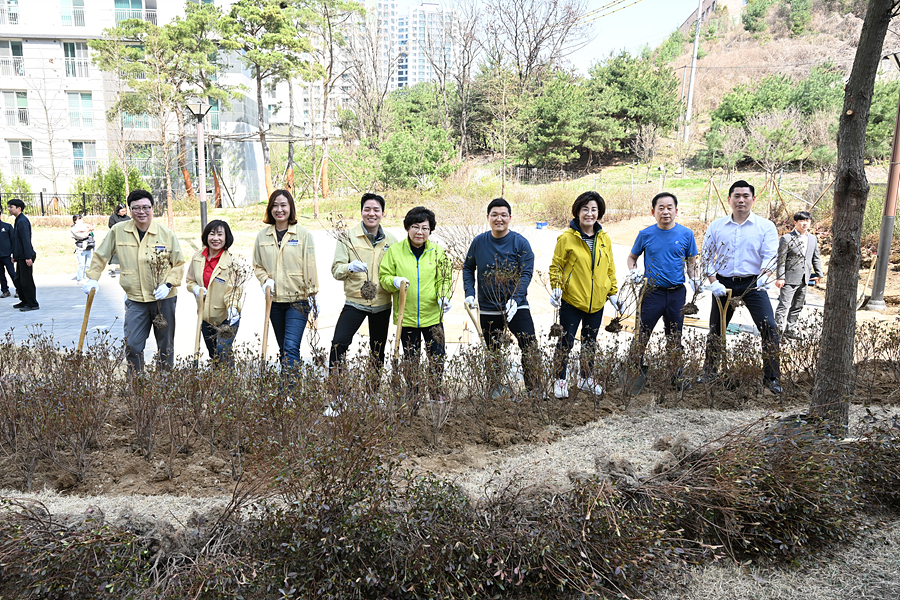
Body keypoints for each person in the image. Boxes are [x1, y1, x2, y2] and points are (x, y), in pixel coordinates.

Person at [83, 190, 185, 374]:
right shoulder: (118, 231)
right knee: (132, 345)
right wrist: (93, 278)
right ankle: (136, 384)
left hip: (164, 299)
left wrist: (168, 284)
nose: (141, 211)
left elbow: (178, 263)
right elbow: (101, 255)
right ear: (130, 210)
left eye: (146, 207)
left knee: (165, 346)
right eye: (136, 208)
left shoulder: (166, 234)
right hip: (135, 299)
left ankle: (165, 383)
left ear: (153, 208)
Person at [700, 180, 782, 394]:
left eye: (746, 196)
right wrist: (713, 282)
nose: (741, 200)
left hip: (754, 282)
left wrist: (765, 276)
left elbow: (771, 255)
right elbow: (706, 256)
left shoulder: (765, 226)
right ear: (729, 200)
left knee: (769, 326)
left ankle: (772, 378)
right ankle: (709, 372)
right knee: (716, 328)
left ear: (753, 199)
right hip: (724, 283)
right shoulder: (717, 226)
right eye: (737, 196)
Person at [463, 197, 538, 394]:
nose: (499, 219)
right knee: (492, 350)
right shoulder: (479, 242)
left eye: (503, 215)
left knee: (529, 345)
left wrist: (516, 299)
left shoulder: (520, 243)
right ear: (488, 217)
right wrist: (469, 293)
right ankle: (494, 389)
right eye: (494, 215)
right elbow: (468, 267)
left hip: (516, 306)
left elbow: (526, 273)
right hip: (488, 307)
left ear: (510, 218)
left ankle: (534, 389)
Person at [626, 192, 700, 389]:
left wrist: (695, 279)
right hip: (651, 292)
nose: (665, 211)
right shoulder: (645, 234)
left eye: (669, 208)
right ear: (653, 212)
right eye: (661, 208)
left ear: (676, 211)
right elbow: (632, 257)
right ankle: (632, 377)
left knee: (675, 336)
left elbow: (692, 263)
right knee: (642, 334)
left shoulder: (686, 234)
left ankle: (676, 378)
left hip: (677, 294)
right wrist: (633, 271)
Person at [548, 191, 618, 399]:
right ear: (577, 212)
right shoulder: (567, 238)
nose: (589, 214)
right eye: (585, 209)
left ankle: (586, 378)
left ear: (599, 213)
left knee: (590, 342)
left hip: (597, 302)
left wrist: (613, 292)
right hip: (573, 300)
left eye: (594, 209)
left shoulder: (604, 239)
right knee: (566, 342)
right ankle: (560, 380)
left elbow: (610, 269)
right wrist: (556, 287)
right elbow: (556, 266)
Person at [379, 206, 451, 401]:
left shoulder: (438, 252)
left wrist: (443, 296)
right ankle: (413, 393)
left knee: (437, 355)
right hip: (407, 316)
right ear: (407, 228)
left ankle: (435, 391)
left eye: (425, 228)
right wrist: (394, 281)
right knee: (411, 358)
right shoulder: (395, 251)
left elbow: (444, 279)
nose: (420, 232)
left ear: (430, 230)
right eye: (415, 227)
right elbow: (384, 276)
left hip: (432, 315)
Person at [328, 193, 399, 377]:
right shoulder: (347, 237)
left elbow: (397, 270)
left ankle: (372, 390)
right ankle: (335, 390)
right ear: (361, 212)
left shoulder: (391, 240)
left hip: (382, 303)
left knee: (378, 350)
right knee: (338, 344)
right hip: (355, 302)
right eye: (367, 209)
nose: (371, 213)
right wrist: (349, 267)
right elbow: (336, 270)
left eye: (376, 210)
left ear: (383, 213)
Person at [253, 189, 319, 372]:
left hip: (298, 301)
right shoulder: (262, 236)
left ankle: (290, 389)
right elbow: (257, 265)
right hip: (274, 302)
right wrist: (265, 280)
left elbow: (310, 265)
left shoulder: (303, 235)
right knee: (284, 349)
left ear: (290, 208)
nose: (279, 209)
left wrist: (313, 294)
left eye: (283, 205)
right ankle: (289, 386)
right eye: (275, 205)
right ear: (270, 209)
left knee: (290, 348)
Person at [185, 220, 243, 365]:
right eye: (212, 234)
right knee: (214, 354)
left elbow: (234, 290)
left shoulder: (231, 262)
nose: (215, 238)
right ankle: (220, 378)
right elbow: (190, 280)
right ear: (206, 236)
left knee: (222, 350)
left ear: (226, 237)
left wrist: (232, 307)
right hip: (205, 316)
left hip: (226, 316)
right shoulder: (198, 257)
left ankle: (227, 378)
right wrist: (195, 288)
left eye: (220, 234)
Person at [775, 210, 823, 339]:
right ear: (795, 222)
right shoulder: (787, 238)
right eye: (802, 221)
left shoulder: (812, 239)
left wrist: (819, 274)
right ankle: (777, 331)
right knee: (784, 305)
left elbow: (816, 257)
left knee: (798, 306)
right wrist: (780, 277)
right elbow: (781, 259)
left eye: (807, 221)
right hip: (789, 278)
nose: (805, 223)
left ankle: (790, 330)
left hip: (804, 278)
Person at [7, 199, 38, 312]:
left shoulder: (22, 221)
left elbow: (25, 240)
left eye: (11, 207)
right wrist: (15, 255)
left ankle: (32, 303)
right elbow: (17, 241)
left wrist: (28, 256)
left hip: (26, 256)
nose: (9, 209)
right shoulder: (18, 220)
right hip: (20, 256)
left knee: (26, 281)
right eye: (9, 207)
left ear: (19, 208)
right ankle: (24, 301)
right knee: (18, 279)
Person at [70, 214, 95, 283]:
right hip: (80, 247)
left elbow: (91, 229)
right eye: (79, 219)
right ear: (75, 220)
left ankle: (86, 277)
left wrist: (89, 229)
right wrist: (87, 231)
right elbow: (81, 236)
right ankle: (80, 278)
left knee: (88, 263)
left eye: (81, 219)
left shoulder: (84, 225)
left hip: (88, 246)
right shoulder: (73, 228)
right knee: (81, 264)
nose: (81, 220)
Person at [108, 203, 130, 278]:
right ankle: (113, 270)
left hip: (126, 238)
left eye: (125, 211)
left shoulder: (127, 218)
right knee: (115, 254)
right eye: (122, 211)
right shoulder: (113, 217)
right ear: (118, 210)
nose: (123, 213)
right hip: (116, 237)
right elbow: (111, 226)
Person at [0, 207, 14, 298]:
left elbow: (13, 240)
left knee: (12, 273)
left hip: (7, 255)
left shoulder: (7, 226)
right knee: (1, 275)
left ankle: (19, 289)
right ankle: (5, 290)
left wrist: (13, 253)